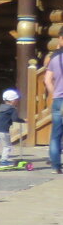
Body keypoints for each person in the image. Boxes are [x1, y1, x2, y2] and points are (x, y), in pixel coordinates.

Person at [45, 45, 63, 175]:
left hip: (58, 100)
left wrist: (55, 94)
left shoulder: (55, 58)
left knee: (56, 135)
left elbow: (47, 80)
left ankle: (55, 166)